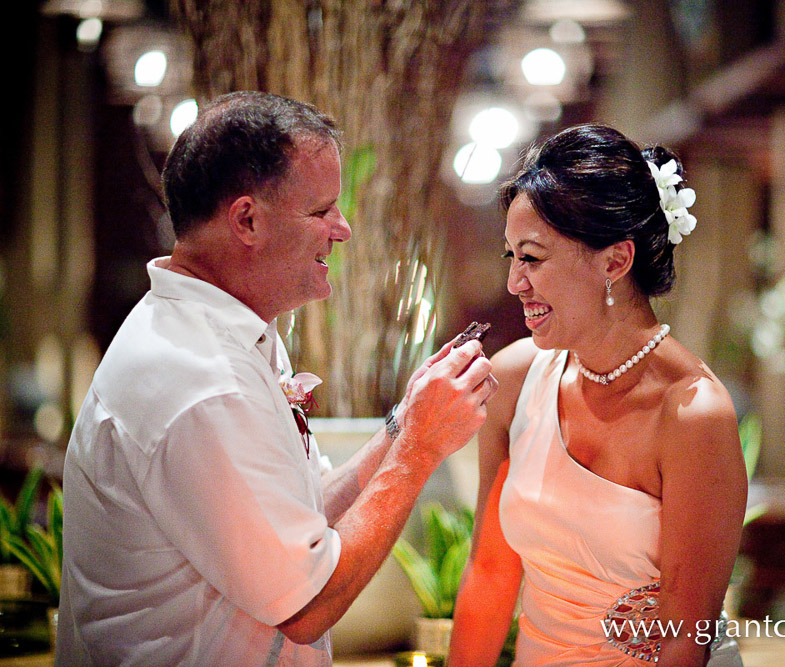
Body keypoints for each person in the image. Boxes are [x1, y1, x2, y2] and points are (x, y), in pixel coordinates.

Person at [57, 91, 497, 666]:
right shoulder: (202, 381)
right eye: (320, 211)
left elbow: (301, 514)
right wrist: (419, 449)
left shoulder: (230, 333)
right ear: (247, 219)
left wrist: (403, 423)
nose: (341, 229)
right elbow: (307, 604)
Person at [449, 124, 747, 667]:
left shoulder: (693, 413)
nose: (516, 282)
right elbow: (491, 572)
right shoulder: (514, 380)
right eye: (510, 257)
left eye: (533, 258)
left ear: (615, 261)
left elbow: (685, 636)